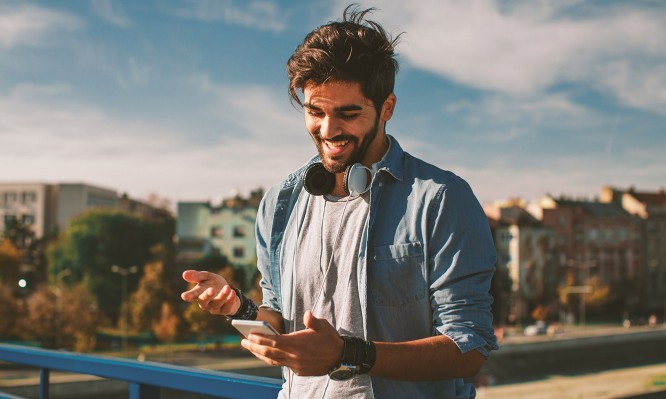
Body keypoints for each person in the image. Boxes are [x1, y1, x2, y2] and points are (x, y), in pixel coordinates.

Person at [181, 5, 498, 398]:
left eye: (348, 113)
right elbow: (279, 318)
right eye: (315, 112)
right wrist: (239, 309)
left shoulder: (442, 199)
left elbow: (469, 348)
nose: (329, 130)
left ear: (387, 108)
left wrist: (349, 354)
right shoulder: (280, 202)